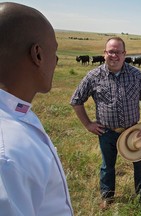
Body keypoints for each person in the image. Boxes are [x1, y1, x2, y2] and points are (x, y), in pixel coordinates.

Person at [0, 2, 73, 216]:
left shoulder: (17, 113)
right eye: (55, 51)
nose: (57, 61)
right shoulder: (7, 154)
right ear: (38, 54)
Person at [70, 36, 141, 209]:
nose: (114, 55)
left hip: (133, 132)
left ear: (124, 54)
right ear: (104, 54)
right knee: (107, 166)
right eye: (110, 52)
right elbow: (76, 100)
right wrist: (88, 124)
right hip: (106, 132)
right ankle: (107, 198)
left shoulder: (137, 75)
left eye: (118, 52)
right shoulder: (93, 76)